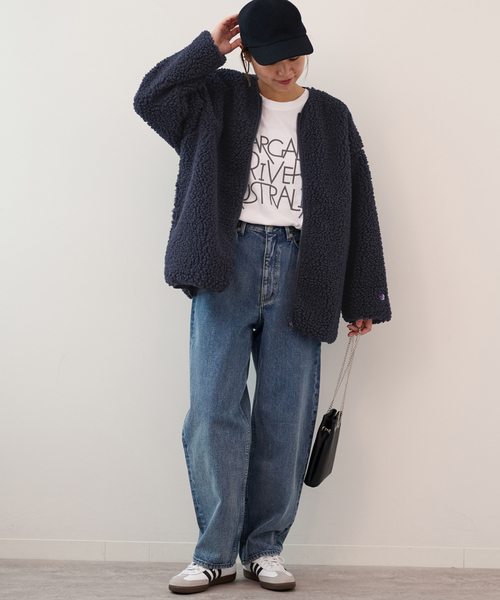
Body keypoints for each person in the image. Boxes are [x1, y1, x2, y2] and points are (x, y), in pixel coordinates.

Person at [134, 0, 391, 594]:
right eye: (273, 57)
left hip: (306, 268)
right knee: (212, 411)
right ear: (248, 54)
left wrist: (362, 295)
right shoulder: (216, 97)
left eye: (296, 54)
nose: (287, 67)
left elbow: (359, 206)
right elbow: (151, 98)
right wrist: (208, 48)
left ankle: (265, 549)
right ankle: (215, 553)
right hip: (227, 261)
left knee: (285, 417)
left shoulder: (331, 115)